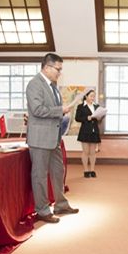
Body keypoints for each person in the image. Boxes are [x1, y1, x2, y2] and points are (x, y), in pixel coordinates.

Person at [26, 53, 79, 224]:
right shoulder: (34, 84)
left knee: (58, 171)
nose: (59, 73)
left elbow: (52, 110)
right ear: (47, 67)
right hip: (40, 139)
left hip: (54, 138)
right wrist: (60, 110)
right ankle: (42, 210)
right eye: (58, 69)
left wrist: (62, 112)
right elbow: (37, 110)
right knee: (40, 175)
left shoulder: (53, 86)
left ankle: (61, 205)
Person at [75, 89, 102, 178]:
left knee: (93, 152)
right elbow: (77, 118)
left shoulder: (97, 106)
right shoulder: (81, 106)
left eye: (94, 96)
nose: (93, 98)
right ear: (86, 96)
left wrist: (99, 117)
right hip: (85, 131)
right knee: (86, 152)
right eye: (91, 96)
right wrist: (86, 118)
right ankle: (86, 170)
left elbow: (99, 119)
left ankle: (92, 170)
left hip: (94, 131)